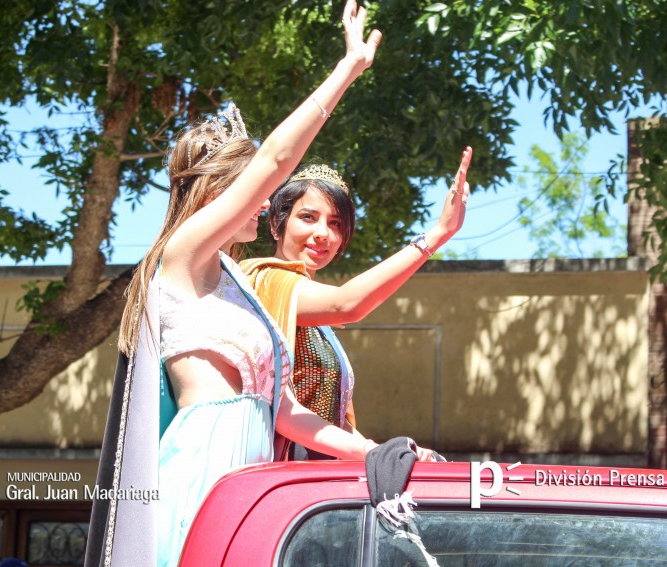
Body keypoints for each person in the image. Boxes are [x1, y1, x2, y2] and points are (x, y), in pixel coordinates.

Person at [85, 3, 432, 566]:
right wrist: (348, 69)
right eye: (254, 191)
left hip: (253, 485)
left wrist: (374, 452)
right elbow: (278, 157)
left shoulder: (236, 286)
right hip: (203, 473)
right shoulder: (181, 257)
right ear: (219, 193)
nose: (267, 201)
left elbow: (286, 412)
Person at [241, 148, 472, 460]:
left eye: (335, 223)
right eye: (308, 217)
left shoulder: (316, 316)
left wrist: (385, 455)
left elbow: (331, 423)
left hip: (318, 477)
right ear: (275, 225)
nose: (322, 233)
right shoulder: (266, 279)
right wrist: (437, 235)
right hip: (280, 479)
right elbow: (346, 304)